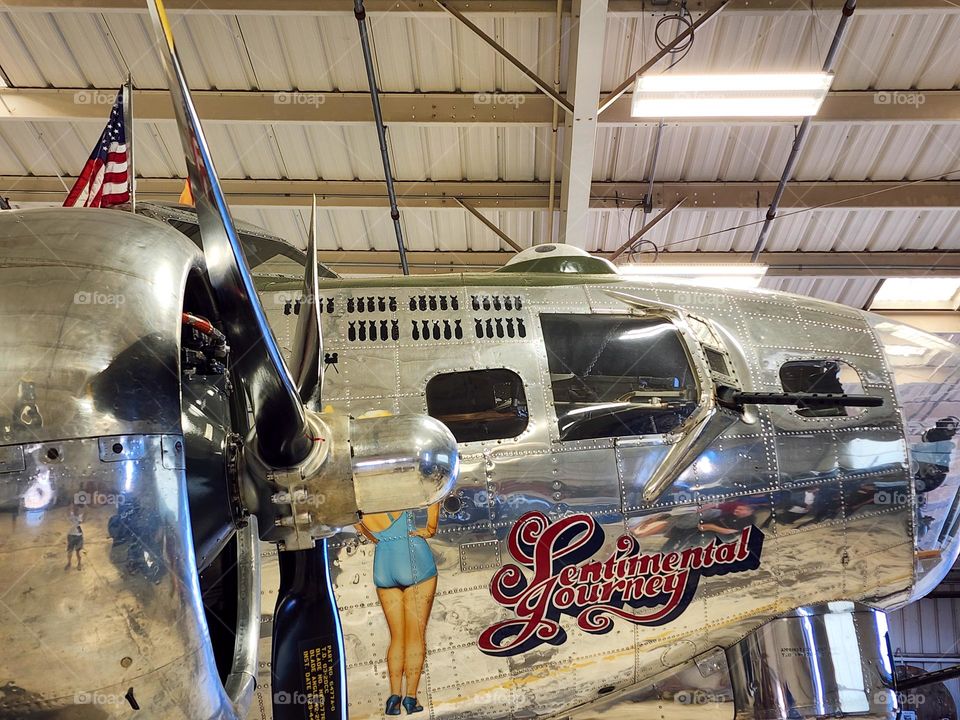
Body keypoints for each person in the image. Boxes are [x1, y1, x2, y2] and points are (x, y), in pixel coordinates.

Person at [356, 503, 440, 716]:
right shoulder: (397, 487)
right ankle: (410, 698)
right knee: (415, 637)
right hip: (413, 557)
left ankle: (394, 698)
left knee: (397, 638)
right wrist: (430, 529)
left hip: (383, 562)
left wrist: (377, 538)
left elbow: (358, 526)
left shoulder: (359, 497)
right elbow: (434, 498)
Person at [65, 505, 84, 570]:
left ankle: (79, 563)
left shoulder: (80, 517)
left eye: (77, 509)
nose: (76, 511)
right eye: (75, 509)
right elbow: (67, 512)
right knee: (70, 551)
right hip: (71, 535)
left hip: (78, 536)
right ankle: (69, 563)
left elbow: (84, 518)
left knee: (78, 552)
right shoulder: (71, 515)